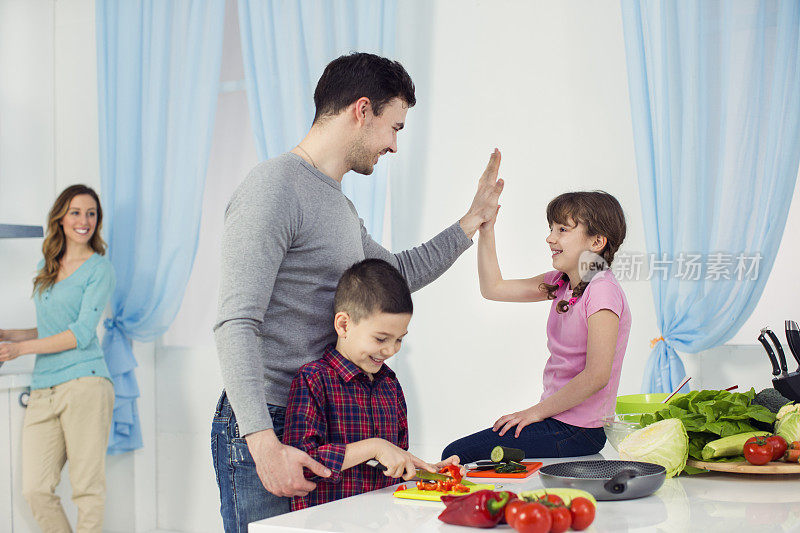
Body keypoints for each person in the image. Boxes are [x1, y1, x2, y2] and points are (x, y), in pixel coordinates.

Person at [212, 52, 503, 530]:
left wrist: (471, 221)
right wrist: (262, 442)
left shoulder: (338, 206)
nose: (394, 145)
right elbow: (235, 322)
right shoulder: (274, 187)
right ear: (361, 110)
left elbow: (395, 274)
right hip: (268, 420)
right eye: (395, 127)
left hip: (320, 420)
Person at [441, 191, 631, 462]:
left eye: (563, 229)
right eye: (551, 229)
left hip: (579, 431)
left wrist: (535, 412)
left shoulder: (602, 290)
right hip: (556, 420)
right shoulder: (560, 282)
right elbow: (493, 288)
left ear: (597, 241)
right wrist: (487, 229)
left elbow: (597, 375)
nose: (550, 238)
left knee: (458, 454)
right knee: (460, 454)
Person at [284, 259, 461, 510]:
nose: (390, 350)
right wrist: (373, 447)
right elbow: (302, 463)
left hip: (382, 520)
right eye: (381, 338)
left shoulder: (390, 385)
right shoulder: (313, 379)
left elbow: (393, 460)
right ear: (344, 325)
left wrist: (427, 470)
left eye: (399, 339)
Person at [0, 184, 116, 533]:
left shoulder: (99, 270)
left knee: (87, 490)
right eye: (76, 212)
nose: (85, 220)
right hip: (44, 388)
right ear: (60, 218)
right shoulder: (46, 265)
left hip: (85, 383)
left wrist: (19, 350)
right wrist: (10, 335)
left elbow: (79, 334)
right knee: (34, 489)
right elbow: (52, 328)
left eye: (92, 213)